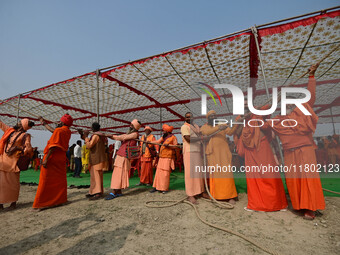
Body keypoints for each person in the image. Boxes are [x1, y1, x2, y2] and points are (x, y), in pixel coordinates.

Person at [268, 64, 325, 220]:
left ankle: (310, 208)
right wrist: (279, 95)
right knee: (294, 180)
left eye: (289, 101)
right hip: (289, 153)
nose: (288, 104)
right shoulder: (278, 120)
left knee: (308, 178)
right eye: (284, 102)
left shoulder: (302, 111)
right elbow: (263, 116)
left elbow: (311, 96)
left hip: (305, 151)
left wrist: (311, 76)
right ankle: (299, 205)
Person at [235, 103, 288, 212]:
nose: (245, 107)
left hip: (262, 146)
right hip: (249, 150)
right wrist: (241, 120)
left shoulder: (257, 112)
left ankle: (277, 203)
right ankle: (256, 204)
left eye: (247, 104)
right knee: (253, 176)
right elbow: (235, 132)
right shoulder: (239, 118)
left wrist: (259, 109)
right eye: (243, 105)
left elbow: (270, 105)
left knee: (269, 173)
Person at [32, 114, 73, 210]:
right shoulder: (67, 131)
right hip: (61, 159)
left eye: (60, 121)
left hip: (52, 158)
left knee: (45, 180)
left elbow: (53, 146)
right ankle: (60, 200)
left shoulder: (59, 131)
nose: (58, 122)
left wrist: (46, 159)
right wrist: (44, 123)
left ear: (62, 122)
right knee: (60, 181)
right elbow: (53, 131)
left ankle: (41, 203)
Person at [201, 110, 239, 203]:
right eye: (211, 116)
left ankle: (230, 196)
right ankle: (217, 195)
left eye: (214, 115)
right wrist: (219, 127)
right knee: (216, 174)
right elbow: (207, 133)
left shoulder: (222, 124)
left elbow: (230, 132)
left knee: (227, 173)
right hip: (212, 153)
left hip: (224, 152)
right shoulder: (204, 127)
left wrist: (236, 124)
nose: (213, 117)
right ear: (208, 118)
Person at [0, 118, 34, 210]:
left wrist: (16, 148)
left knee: (13, 184)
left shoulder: (26, 136)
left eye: (20, 122)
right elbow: (1, 124)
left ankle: (13, 203)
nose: (17, 123)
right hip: (3, 160)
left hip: (14, 162)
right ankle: (1, 204)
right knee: (1, 184)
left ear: (22, 126)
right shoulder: (10, 131)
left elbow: (28, 149)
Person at [105, 119, 141, 199]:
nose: (130, 126)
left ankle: (114, 192)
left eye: (132, 125)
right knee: (118, 173)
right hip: (121, 155)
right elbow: (122, 136)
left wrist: (112, 136)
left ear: (135, 127)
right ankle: (119, 191)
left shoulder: (135, 134)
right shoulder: (131, 134)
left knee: (118, 174)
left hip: (124, 156)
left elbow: (123, 137)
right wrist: (112, 136)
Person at [181, 112, 205, 204]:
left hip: (198, 151)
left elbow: (200, 134)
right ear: (185, 118)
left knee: (198, 172)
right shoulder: (184, 127)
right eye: (187, 117)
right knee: (190, 173)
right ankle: (190, 195)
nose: (189, 118)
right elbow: (188, 139)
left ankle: (200, 192)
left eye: (190, 117)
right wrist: (201, 138)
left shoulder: (196, 126)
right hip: (189, 152)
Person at [80, 122, 108, 200]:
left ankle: (98, 193)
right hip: (98, 158)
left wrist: (85, 136)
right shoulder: (100, 135)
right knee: (95, 176)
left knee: (96, 176)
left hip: (96, 159)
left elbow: (89, 145)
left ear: (93, 128)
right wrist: (83, 135)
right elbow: (89, 141)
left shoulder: (96, 136)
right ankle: (93, 191)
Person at [150, 124, 178, 194]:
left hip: (168, 157)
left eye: (164, 130)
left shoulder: (173, 137)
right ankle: (156, 187)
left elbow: (176, 146)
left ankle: (164, 188)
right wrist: (149, 142)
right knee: (158, 173)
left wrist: (169, 146)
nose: (163, 131)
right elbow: (157, 142)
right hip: (161, 157)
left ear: (167, 131)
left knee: (165, 173)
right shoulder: (163, 137)